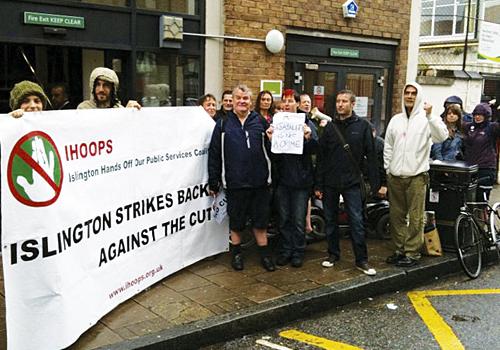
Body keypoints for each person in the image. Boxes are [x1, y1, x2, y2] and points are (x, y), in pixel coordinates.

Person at [208, 84, 275, 272]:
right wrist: (214, 180)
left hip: (260, 182)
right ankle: (236, 254)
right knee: (236, 222)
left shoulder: (260, 122)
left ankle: (264, 254)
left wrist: (272, 140)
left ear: (250, 101)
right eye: (238, 98)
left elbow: (273, 151)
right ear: (233, 100)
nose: (242, 101)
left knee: (261, 221)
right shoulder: (222, 124)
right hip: (234, 182)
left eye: (245, 98)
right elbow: (214, 153)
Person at [315, 89, 379, 276]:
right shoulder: (329, 127)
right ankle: (333, 255)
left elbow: (372, 156)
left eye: (344, 101)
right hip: (331, 182)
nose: (340, 104)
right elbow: (321, 158)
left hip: (352, 183)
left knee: (357, 221)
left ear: (352, 104)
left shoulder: (363, 126)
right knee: (330, 221)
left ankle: (362, 260)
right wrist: (318, 185)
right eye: (338, 101)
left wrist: (376, 184)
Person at [384, 82, 448, 267]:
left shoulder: (426, 120)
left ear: (418, 96)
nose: (410, 96)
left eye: (413, 93)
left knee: (416, 217)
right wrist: (388, 168)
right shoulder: (396, 120)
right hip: (396, 176)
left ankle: (412, 252)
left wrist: (431, 116)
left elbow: (442, 136)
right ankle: (399, 250)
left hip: (417, 176)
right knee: (396, 216)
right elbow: (388, 146)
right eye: (407, 93)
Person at [267, 89, 318, 268]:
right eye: (285, 101)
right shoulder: (277, 123)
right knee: (284, 219)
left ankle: (298, 251)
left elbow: (315, 149)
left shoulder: (307, 123)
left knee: (298, 220)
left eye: (291, 101)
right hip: (282, 181)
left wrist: (308, 138)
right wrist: (270, 140)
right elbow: (273, 156)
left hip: (301, 182)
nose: (287, 104)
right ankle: (286, 250)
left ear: (297, 103)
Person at [463, 103, 500, 201]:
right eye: (475, 114)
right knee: (467, 198)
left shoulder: (492, 128)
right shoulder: (469, 127)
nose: (477, 117)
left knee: (481, 198)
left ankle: (483, 215)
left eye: (480, 115)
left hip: (486, 167)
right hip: (470, 167)